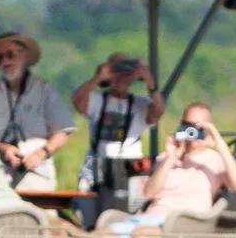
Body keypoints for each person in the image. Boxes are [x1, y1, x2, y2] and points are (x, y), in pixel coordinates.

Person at [89, 102, 236, 238]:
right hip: (148, 219)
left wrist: (216, 140)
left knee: (142, 236)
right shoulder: (167, 157)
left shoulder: (214, 159)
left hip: (181, 225)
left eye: (198, 126)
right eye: (186, 125)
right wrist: (171, 158)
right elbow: (150, 193)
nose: (191, 131)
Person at [69, 51, 165, 218]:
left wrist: (149, 82)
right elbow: (77, 101)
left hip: (130, 167)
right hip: (97, 165)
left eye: (125, 71)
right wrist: (98, 78)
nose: (121, 76)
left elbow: (157, 112)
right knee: (90, 216)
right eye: (117, 70)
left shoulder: (140, 104)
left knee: (131, 216)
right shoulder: (97, 99)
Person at [0, 31, 76, 188]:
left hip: (36, 172)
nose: (5, 62)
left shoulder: (44, 90)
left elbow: (63, 130)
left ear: (25, 56)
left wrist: (40, 154)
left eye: (10, 55)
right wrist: (3, 148)